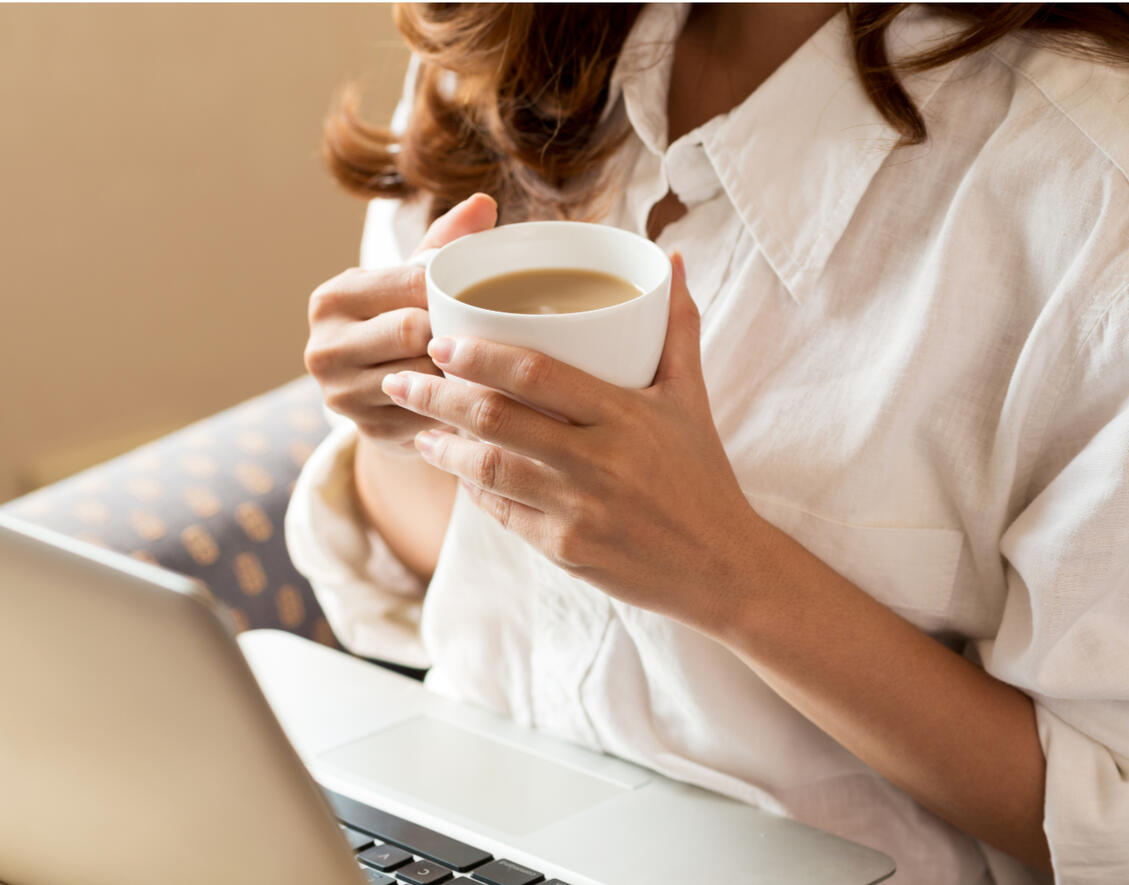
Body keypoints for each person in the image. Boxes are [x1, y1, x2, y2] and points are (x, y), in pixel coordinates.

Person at [287, 4, 1129, 883]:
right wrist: (398, 416)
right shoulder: (497, 44)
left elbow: (1101, 811)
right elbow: (459, 571)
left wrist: (726, 570)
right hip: (459, 827)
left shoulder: (1083, 193)